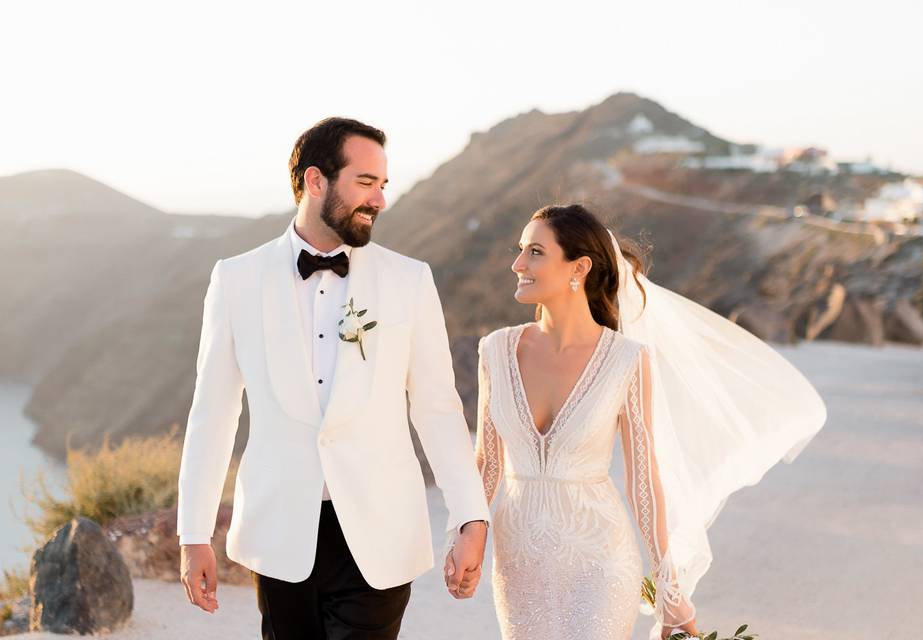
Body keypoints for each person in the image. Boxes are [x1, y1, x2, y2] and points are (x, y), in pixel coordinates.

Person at [177, 117, 490, 639]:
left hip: (380, 529)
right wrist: (194, 533)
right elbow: (213, 411)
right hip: (279, 533)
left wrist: (470, 516)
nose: (381, 200)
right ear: (315, 181)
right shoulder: (236, 279)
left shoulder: (408, 280)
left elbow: (436, 407)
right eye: (366, 183)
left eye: (383, 184)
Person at [472, 203, 827, 639]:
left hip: (600, 560)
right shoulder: (495, 351)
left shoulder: (626, 360)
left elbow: (644, 478)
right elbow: (488, 461)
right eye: (520, 249)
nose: (517, 264)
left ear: (578, 267)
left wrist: (668, 586)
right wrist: (465, 534)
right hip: (518, 562)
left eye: (535, 252)